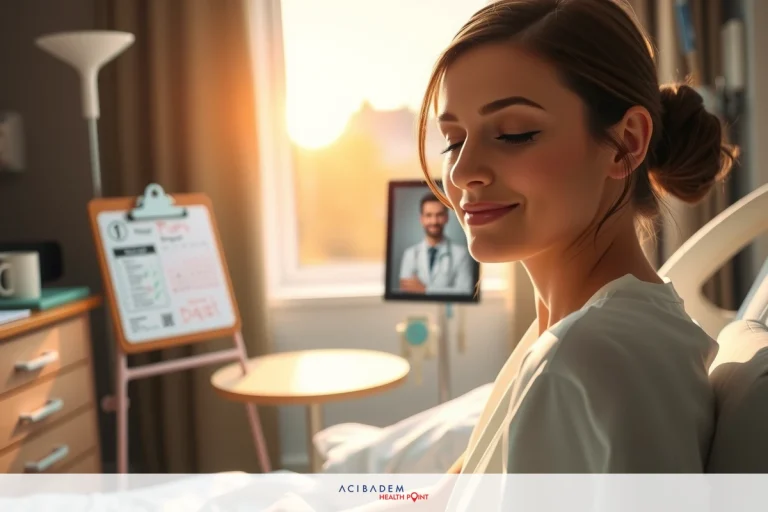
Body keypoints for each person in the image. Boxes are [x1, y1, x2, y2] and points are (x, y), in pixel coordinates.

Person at [409, 0, 737, 486]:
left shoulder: (580, 359)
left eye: (514, 133)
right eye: (453, 141)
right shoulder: (575, 333)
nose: (461, 172)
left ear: (626, 143)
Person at [398, 192, 475, 295]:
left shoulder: (461, 254)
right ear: (421, 219)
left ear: (446, 218)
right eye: (429, 215)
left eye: (439, 215)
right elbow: (406, 289)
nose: (434, 221)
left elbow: (466, 291)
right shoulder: (410, 253)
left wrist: (425, 290)